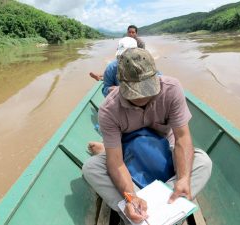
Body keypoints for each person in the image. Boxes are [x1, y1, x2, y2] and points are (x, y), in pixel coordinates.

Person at [83, 48, 212, 224]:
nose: (143, 96)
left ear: (155, 77)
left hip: (165, 148)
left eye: (147, 89)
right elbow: (116, 162)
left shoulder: (172, 89)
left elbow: (182, 138)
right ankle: (141, 208)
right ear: (121, 83)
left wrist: (183, 178)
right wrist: (131, 197)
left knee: (203, 161)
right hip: (127, 155)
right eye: (136, 91)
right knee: (91, 168)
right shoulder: (108, 110)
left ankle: (155, 208)